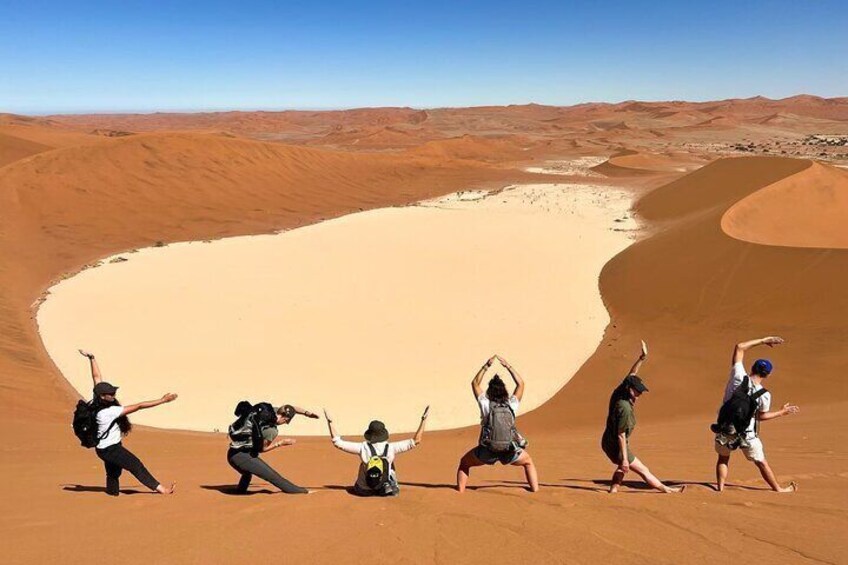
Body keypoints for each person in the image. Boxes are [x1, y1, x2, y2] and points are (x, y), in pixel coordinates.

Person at [78, 349, 177, 496]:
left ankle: (112, 495)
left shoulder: (96, 401)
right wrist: (162, 400)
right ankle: (162, 489)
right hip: (110, 449)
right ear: (103, 397)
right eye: (111, 394)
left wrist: (92, 358)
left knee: (113, 473)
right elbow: (139, 406)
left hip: (104, 449)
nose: (114, 395)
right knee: (135, 465)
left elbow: (97, 377)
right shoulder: (107, 412)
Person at [714, 336, 799, 493]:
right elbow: (762, 416)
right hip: (747, 434)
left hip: (725, 428)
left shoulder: (738, 376)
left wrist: (764, 340)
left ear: (752, 367)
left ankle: (720, 488)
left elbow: (739, 346)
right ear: (767, 375)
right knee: (761, 462)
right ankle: (778, 489)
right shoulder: (765, 395)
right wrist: (782, 412)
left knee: (723, 458)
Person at [601, 342, 684, 494]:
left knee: (623, 467)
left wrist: (642, 358)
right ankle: (666, 490)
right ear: (629, 389)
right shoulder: (624, 408)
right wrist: (625, 458)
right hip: (617, 446)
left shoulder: (619, 393)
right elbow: (621, 434)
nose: (639, 394)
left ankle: (613, 489)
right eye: (637, 392)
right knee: (642, 469)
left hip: (607, 441)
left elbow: (631, 375)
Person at [456, 355, 539, 493]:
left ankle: (460, 492)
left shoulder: (485, 404)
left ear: (489, 391)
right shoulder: (512, 404)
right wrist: (508, 366)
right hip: (509, 449)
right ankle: (535, 489)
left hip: (487, 450)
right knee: (528, 462)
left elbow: (475, 383)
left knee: (464, 463)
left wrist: (486, 366)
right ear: (504, 390)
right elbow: (521, 384)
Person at [324, 406, 428, 496]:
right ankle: (390, 485)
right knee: (390, 463)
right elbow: (416, 441)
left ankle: (368, 485)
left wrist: (330, 422)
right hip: (382, 490)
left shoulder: (362, 447)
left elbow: (337, 442)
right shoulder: (391, 447)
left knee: (364, 464)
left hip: (363, 490)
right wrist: (423, 419)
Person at [227, 402, 319, 494]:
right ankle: (302, 492)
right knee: (273, 477)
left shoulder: (270, 411)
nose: (286, 423)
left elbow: (291, 408)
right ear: (284, 417)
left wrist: (307, 413)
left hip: (232, 453)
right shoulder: (272, 431)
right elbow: (262, 449)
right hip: (242, 457)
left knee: (247, 474)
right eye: (287, 421)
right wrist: (280, 443)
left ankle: (239, 491)